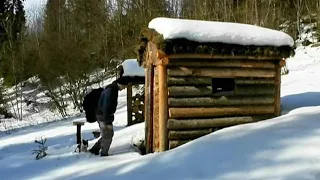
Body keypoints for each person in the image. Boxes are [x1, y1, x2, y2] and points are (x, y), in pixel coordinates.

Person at [88, 76, 131, 156]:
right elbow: (106, 106)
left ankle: (95, 149)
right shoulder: (111, 91)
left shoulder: (112, 89)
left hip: (101, 115)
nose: (124, 88)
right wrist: (107, 121)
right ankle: (104, 154)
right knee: (108, 135)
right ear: (120, 84)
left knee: (106, 134)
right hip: (103, 116)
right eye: (124, 86)